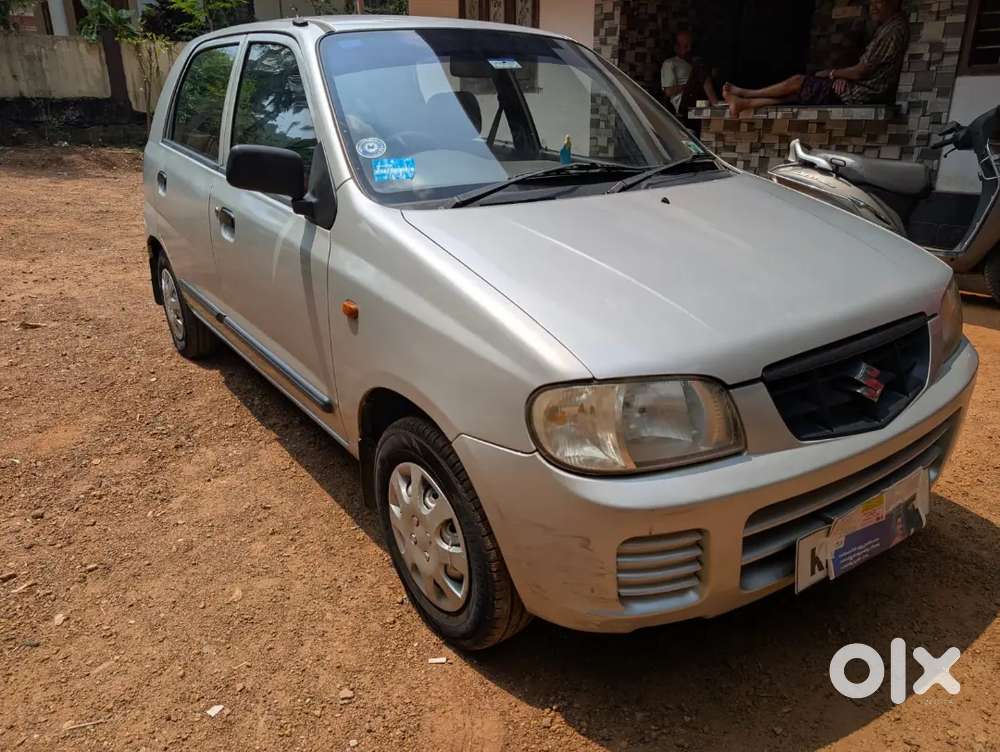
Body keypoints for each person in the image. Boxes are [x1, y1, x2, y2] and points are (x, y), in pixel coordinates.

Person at [723, 0, 909, 117]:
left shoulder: (894, 30)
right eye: (872, 2)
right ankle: (744, 103)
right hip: (858, 90)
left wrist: (832, 73)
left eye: (880, 2)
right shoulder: (889, 27)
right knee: (801, 94)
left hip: (860, 95)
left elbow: (862, 71)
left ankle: (746, 94)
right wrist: (842, 77)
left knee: (798, 82)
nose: (874, 6)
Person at [661, 31, 719, 122]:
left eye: (690, 45)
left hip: (699, 97)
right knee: (699, 64)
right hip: (684, 103)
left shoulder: (691, 62)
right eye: (686, 46)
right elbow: (668, 92)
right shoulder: (670, 63)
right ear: (676, 48)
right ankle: (715, 103)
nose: (689, 49)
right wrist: (688, 85)